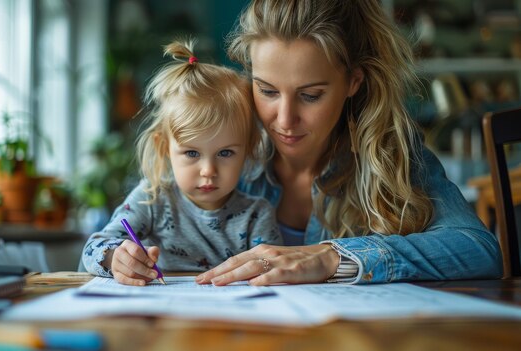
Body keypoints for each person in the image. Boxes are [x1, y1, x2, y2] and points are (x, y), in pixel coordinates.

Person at [196, 0, 503, 286]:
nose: (285, 119)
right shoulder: (219, 141)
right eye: (267, 91)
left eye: (310, 95)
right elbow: (152, 212)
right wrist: (144, 253)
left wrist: (334, 257)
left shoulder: (389, 150)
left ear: (353, 81)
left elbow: (479, 249)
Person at [82, 39, 282, 286]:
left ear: (248, 150)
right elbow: (92, 249)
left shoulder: (257, 215)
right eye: (192, 154)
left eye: (225, 153)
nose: (208, 171)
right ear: (164, 147)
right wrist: (115, 257)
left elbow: (275, 274)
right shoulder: (152, 198)